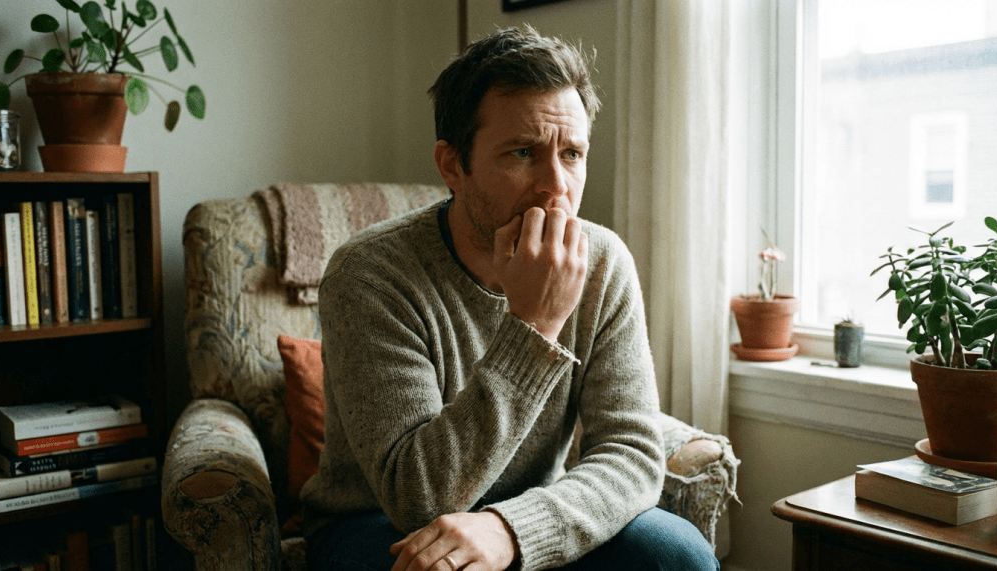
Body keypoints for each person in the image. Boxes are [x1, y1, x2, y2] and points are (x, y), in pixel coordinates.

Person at [301, 25, 719, 571]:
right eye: (523, 153)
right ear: (453, 165)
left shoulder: (603, 263)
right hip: (377, 524)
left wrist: (512, 531)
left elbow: (633, 454)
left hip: (528, 512)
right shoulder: (371, 273)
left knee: (678, 556)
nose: (555, 187)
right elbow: (418, 497)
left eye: (571, 154)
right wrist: (535, 324)